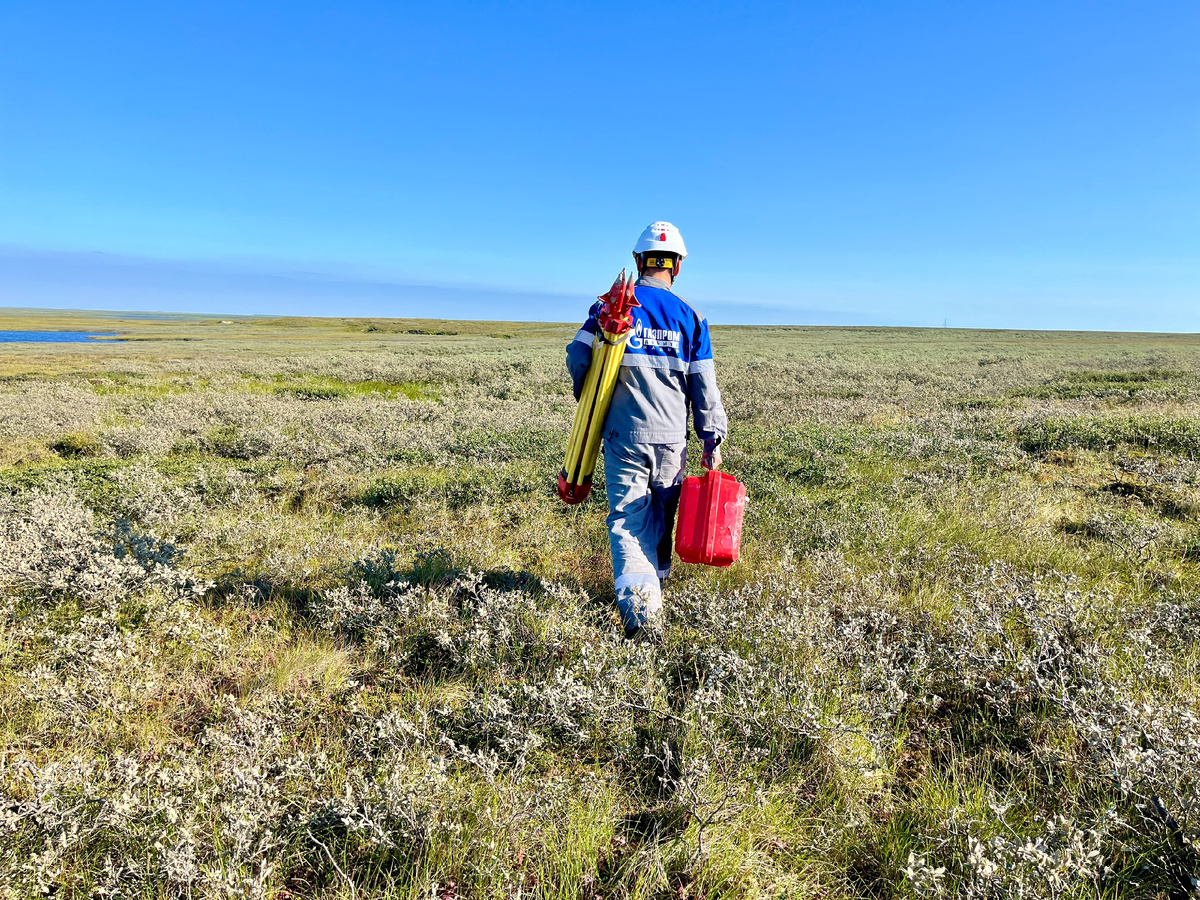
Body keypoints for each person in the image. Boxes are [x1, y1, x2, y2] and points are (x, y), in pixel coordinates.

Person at [566, 221, 728, 639]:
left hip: (623, 437)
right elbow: (704, 387)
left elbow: (580, 359)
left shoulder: (611, 308)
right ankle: (654, 594)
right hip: (673, 443)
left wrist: (588, 396)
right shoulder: (692, 317)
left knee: (627, 521)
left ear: (639, 261)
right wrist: (712, 438)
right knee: (659, 520)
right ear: (677, 266)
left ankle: (642, 619)